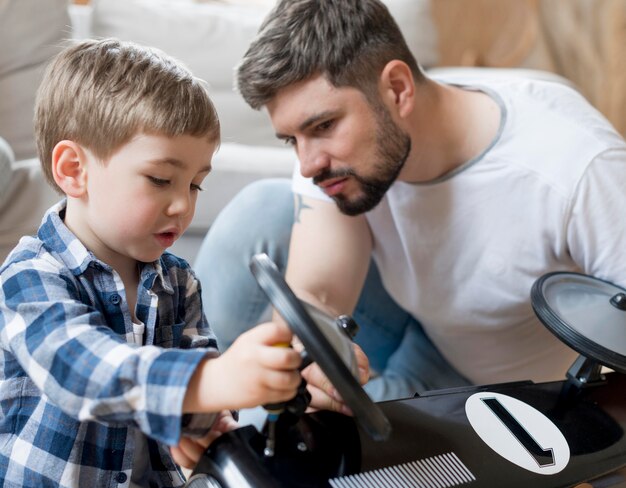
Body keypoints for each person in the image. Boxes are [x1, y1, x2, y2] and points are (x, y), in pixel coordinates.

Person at [194, 0, 626, 406]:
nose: (307, 164)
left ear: (397, 89)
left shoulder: (579, 168)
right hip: (415, 325)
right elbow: (318, 292)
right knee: (261, 213)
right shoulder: (331, 154)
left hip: (513, 391)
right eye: (292, 139)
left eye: (323, 126)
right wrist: (318, 360)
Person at [0, 38, 305, 488]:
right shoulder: (29, 276)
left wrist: (227, 401)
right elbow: (80, 373)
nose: (183, 204)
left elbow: (196, 402)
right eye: (160, 179)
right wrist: (210, 379)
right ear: (73, 169)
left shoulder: (178, 281)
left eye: (196, 184)